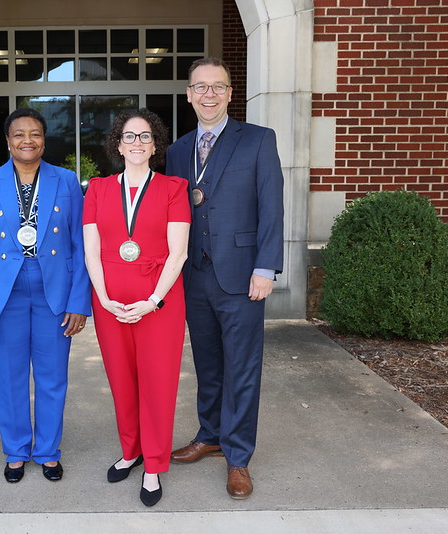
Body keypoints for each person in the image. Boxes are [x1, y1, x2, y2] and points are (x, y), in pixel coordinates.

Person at [166, 57, 284, 499]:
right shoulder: (178, 150)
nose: (209, 94)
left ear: (231, 94)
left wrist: (265, 267)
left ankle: (238, 458)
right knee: (208, 364)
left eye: (218, 87)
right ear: (189, 94)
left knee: (242, 369)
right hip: (194, 277)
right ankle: (210, 434)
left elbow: (272, 207)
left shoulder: (257, 140)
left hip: (243, 277)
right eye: (201, 87)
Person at [0, 108, 91, 484]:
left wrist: (78, 301)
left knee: (53, 377)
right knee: (10, 376)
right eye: (19, 134)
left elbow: (80, 245)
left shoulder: (66, 180)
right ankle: (17, 450)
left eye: (35, 134)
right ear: (7, 140)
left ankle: (49, 451)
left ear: (44, 140)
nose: (27, 141)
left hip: (54, 287)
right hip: (5, 292)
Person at [83, 108, 191, 507]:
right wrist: (104, 297)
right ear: (117, 143)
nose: (137, 143)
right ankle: (131, 450)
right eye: (129, 136)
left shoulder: (173, 188)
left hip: (158, 300)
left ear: (156, 144)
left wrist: (152, 301)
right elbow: (91, 250)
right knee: (122, 380)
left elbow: (177, 254)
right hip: (110, 300)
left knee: (157, 382)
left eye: (145, 136)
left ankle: (154, 464)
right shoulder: (97, 189)